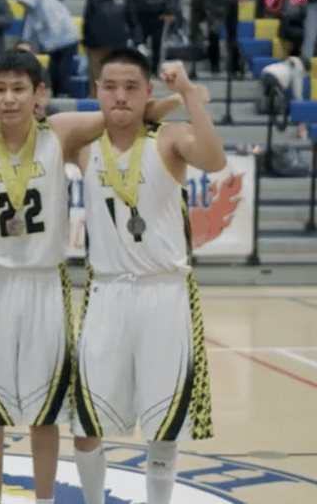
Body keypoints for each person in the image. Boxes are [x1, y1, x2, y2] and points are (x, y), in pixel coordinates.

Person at [0, 49, 130, 504]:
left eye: (20, 89)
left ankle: (44, 500)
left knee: (46, 411)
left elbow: (118, 113)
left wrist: (172, 97)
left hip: (44, 283)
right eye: (0, 90)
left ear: (39, 94)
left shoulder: (59, 134)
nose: (9, 99)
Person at [72, 53, 222, 504]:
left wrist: (188, 95)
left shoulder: (171, 139)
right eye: (109, 86)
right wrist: (153, 104)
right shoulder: (81, 143)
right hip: (105, 292)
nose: (120, 95)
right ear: (95, 90)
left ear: (148, 92)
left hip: (164, 292)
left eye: (132, 87)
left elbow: (213, 160)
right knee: (86, 423)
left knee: (163, 424)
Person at [13, 0, 80, 98]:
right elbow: (29, 27)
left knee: (63, 71)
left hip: (66, 41)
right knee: (53, 72)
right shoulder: (32, 8)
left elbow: (55, 24)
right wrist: (23, 42)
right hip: (53, 44)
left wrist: (45, 47)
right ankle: (55, 95)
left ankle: (66, 96)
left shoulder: (45, 1)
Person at [83, 0, 142, 96]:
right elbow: (87, 22)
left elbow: (134, 22)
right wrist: (86, 43)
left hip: (119, 48)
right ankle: (94, 109)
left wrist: (138, 42)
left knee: (118, 80)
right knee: (96, 81)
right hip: (96, 47)